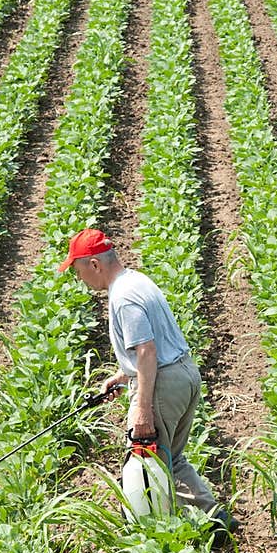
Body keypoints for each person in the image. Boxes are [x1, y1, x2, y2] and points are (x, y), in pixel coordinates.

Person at [58, 228, 237, 535]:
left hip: (163, 385)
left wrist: (142, 408)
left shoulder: (123, 298)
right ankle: (215, 521)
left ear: (95, 265)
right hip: (184, 375)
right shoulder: (137, 281)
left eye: (78, 271)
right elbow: (151, 348)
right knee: (169, 457)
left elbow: (147, 350)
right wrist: (123, 375)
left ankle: (156, 536)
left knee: (146, 461)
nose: (81, 280)